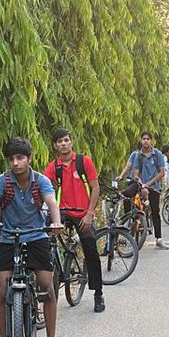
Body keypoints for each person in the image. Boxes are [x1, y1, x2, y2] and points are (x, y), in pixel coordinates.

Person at [0, 137, 68, 337]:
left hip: (36, 235)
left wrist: (55, 223)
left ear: (29, 159)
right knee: (4, 291)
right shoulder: (2, 181)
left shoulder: (40, 181)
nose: (15, 163)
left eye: (20, 158)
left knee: (48, 288)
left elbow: (51, 202)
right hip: (8, 238)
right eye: (12, 159)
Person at [49, 128, 105, 313]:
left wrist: (90, 214)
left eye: (66, 140)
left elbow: (95, 188)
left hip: (82, 212)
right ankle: (51, 281)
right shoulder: (53, 167)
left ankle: (98, 293)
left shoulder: (83, 161)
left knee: (90, 249)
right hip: (62, 212)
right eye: (59, 142)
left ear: (71, 142)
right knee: (44, 239)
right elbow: (43, 189)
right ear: (55, 146)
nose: (63, 144)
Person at [130, 131, 169, 249]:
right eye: (143, 139)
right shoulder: (138, 156)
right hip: (141, 186)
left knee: (155, 212)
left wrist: (148, 184)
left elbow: (161, 173)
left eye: (148, 139)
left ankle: (159, 239)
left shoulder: (157, 154)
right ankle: (129, 232)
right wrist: (142, 185)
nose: (145, 141)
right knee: (132, 204)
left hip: (154, 187)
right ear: (141, 141)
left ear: (151, 140)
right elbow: (135, 173)